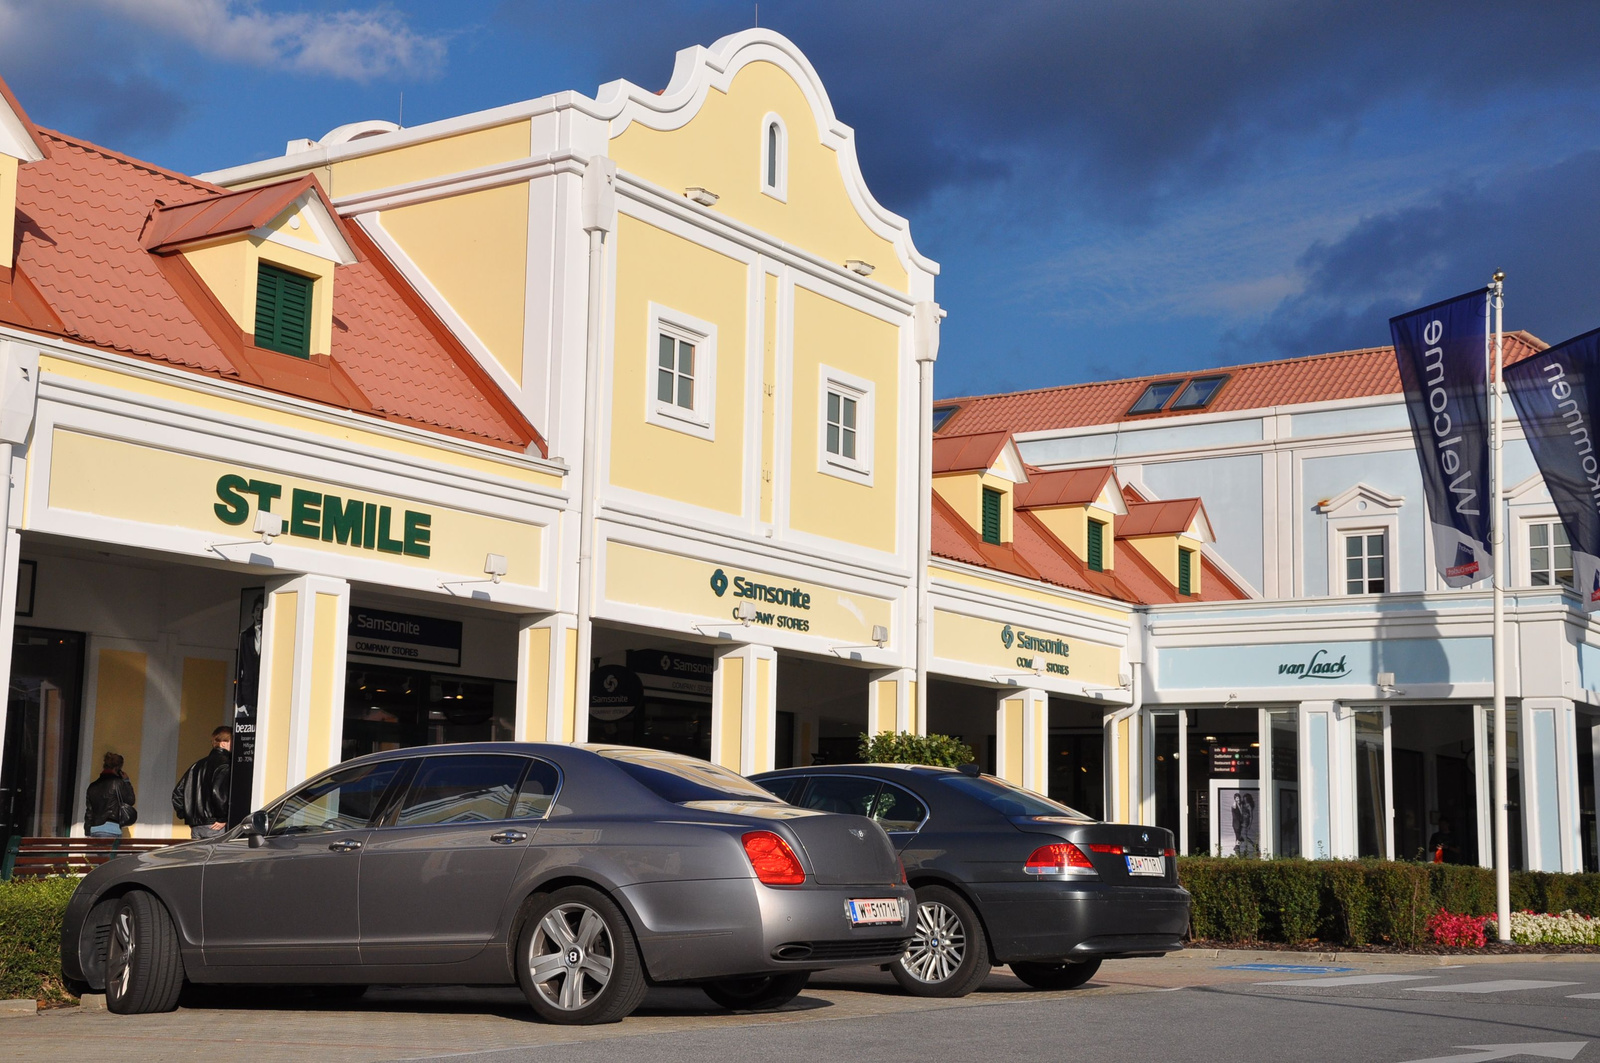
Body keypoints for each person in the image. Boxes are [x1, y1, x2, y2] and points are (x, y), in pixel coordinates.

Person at [172, 726, 232, 839]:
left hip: (196, 826)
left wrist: (188, 816)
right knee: (216, 855)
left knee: (197, 856)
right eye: (232, 741)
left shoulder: (197, 765)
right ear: (223, 743)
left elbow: (177, 793)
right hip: (215, 825)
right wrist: (222, 818)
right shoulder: (224, 765)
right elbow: (218, 793)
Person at [84, 751, 135, 838]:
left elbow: (89, 811)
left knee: (97, 852)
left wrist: (88, 831)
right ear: (118, 768)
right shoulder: (118, 783)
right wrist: (126, 781)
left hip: (94, 829)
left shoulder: (92, 786)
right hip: (112, 828)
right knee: (109, 852)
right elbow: (130, 800)